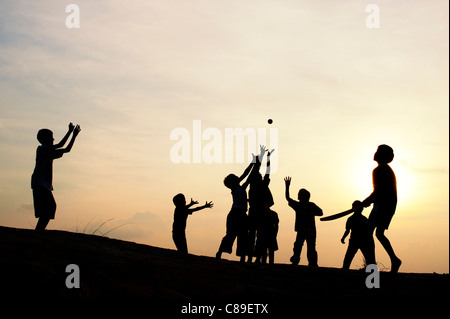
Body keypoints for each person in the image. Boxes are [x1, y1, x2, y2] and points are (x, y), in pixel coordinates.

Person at [31, 123, 81, 231]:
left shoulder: (48, 151)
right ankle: (39, 230)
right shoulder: (42, 149)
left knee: (49, 208)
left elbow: (66, 149)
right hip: (40, 183)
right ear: (45, 139)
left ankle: (40, 230)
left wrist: (74, 136)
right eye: (51, 137)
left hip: (43, 184)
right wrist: (69, 132)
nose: (53, 139)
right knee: (48, 209)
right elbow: (61, 144)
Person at [361, 144, 402, 273]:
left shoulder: (379, 170)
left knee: (368, 232)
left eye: (377, 151)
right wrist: (369, 201)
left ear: (381, 155)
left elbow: (378, 191)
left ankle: (371, 266)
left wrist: (366, 201)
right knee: (379, 233)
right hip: (389, 205)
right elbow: (379, 191)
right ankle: (394, 260)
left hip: (382, 205)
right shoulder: (386, 169)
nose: (375, 153)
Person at [216, 157, 256, 262]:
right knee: (233, 234)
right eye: (236, 177)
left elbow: (248, 176)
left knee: (242, 235)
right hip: (236, 214)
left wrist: (255, 163)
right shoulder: (235, 188)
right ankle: (221, 252)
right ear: (233, 182)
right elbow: (246, 174)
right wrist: (253, 162)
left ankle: (242, 257)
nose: (238, 177)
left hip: (240, 214)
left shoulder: (241, 188)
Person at [284, 176, 323, 267]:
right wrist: (287, 186)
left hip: (308, 230)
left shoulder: (305, 205)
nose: (298, 195)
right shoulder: (302, 205)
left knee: (308, 247)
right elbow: (288, 198)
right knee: (300, 246)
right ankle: (299, 261)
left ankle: (312, 263)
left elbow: (320, 212)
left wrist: (287, 186)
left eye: (299, 194)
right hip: (304, 230)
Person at [340, 200, 376, 269]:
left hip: (362, 241)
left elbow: (368, 231)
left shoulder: (363, 219)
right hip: (355, 241)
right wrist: (343, 238)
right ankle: (345, 269)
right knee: (348, 257)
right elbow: (347, 230)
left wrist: (343, 238)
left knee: (366, 258)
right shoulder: (352, 219)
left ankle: (345, 269)